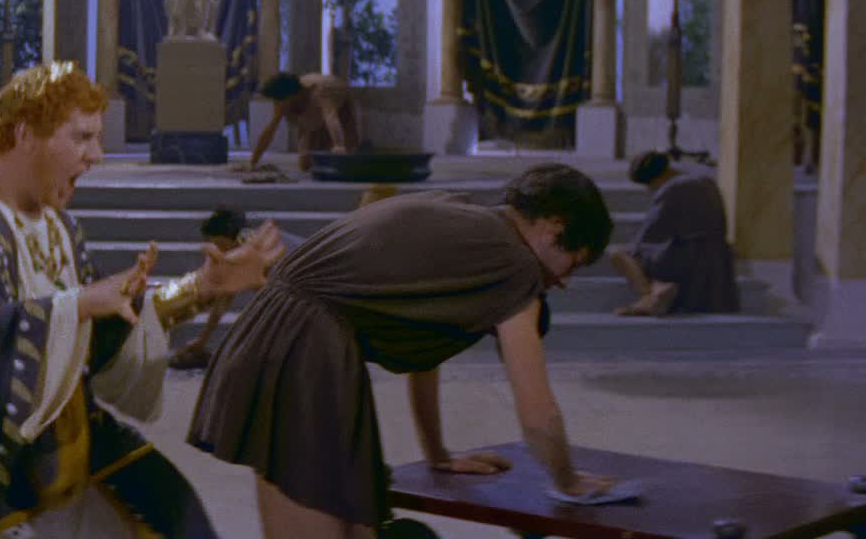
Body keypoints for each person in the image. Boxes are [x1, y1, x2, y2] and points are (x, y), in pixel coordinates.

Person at [0, 61, 286, 538]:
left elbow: (104, 332)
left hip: (76, 439)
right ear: (25, 134)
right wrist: (77, 305)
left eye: (97, 139)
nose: (97, 155)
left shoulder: (60, 225)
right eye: (82, 137)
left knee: (178, 518)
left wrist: (204, 286)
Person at [188, 163, 617, 537]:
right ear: (553, 228)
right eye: (573, 263)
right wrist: (568, 482)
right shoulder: (518, 267)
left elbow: (425, 353)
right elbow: (538, 414)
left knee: (357, 525)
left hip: (298, 339)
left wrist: (438, 454)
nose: (563, 281)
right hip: (303, 349)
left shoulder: (465, 216)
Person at [167, 190, 398, 371]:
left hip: (322, 279)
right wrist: (202, 340)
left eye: (218, 244)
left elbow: (272, 300)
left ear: (232, 237)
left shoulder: (256, 247)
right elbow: (223, 301)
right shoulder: (241, 253)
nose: (217, 250)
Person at [609, 151, 738, 316]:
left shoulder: (669, 190)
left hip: (689, 260)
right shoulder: (707, 182)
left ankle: (650, 296)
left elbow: (649, 236)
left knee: (620, 254)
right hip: (718, 260)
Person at [242, 72, 361, 171]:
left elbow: (331, 116)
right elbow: (270, 130)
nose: (277, 105)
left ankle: (343, 152)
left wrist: (339, 145)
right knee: (305, 164)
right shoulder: (282, 102)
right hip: (310, 117)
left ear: (292, 95)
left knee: (346, 158)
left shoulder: (320, 92)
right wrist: (253, 162)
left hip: (339, 104)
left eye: (279, 101)